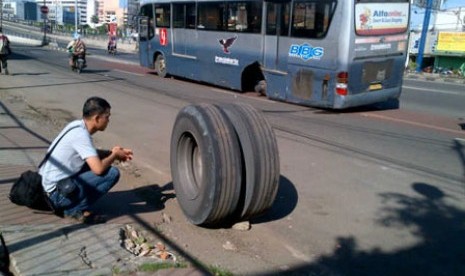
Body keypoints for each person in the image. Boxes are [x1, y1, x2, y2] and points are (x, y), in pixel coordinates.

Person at [39, 96, 133, 223]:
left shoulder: (77, 126)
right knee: (112, 173)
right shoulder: (81, 136)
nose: (108, 120)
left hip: (48, 187)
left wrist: (112, 152)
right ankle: (73, 209)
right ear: (97, 118)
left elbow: (90, 153)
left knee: (94, 165)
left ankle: (71, 204)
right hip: (55, 195)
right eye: (107, 117)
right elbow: (98, 169)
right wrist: (115, 155)